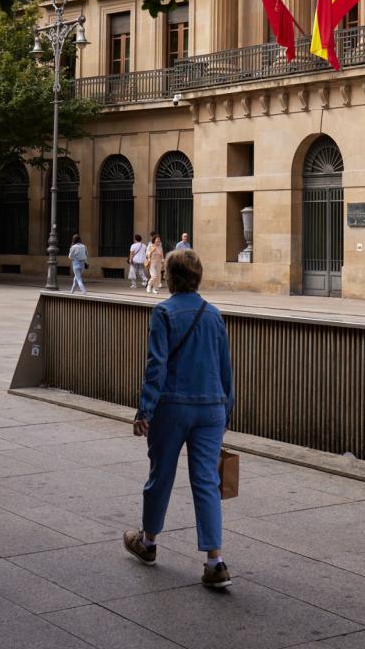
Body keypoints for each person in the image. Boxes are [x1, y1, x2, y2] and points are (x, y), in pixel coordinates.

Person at [124, 249, 234, 590]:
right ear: (198, 278)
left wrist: (145, 410)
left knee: (161, 475)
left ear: (169, 277)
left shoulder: (164, 312)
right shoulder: (213, 315)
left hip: (172, 406)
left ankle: (148, 543)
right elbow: (225, 368)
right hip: (211, 408)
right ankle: (215, 562)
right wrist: (226, 411)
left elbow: (156, 366)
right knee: (207, 482)